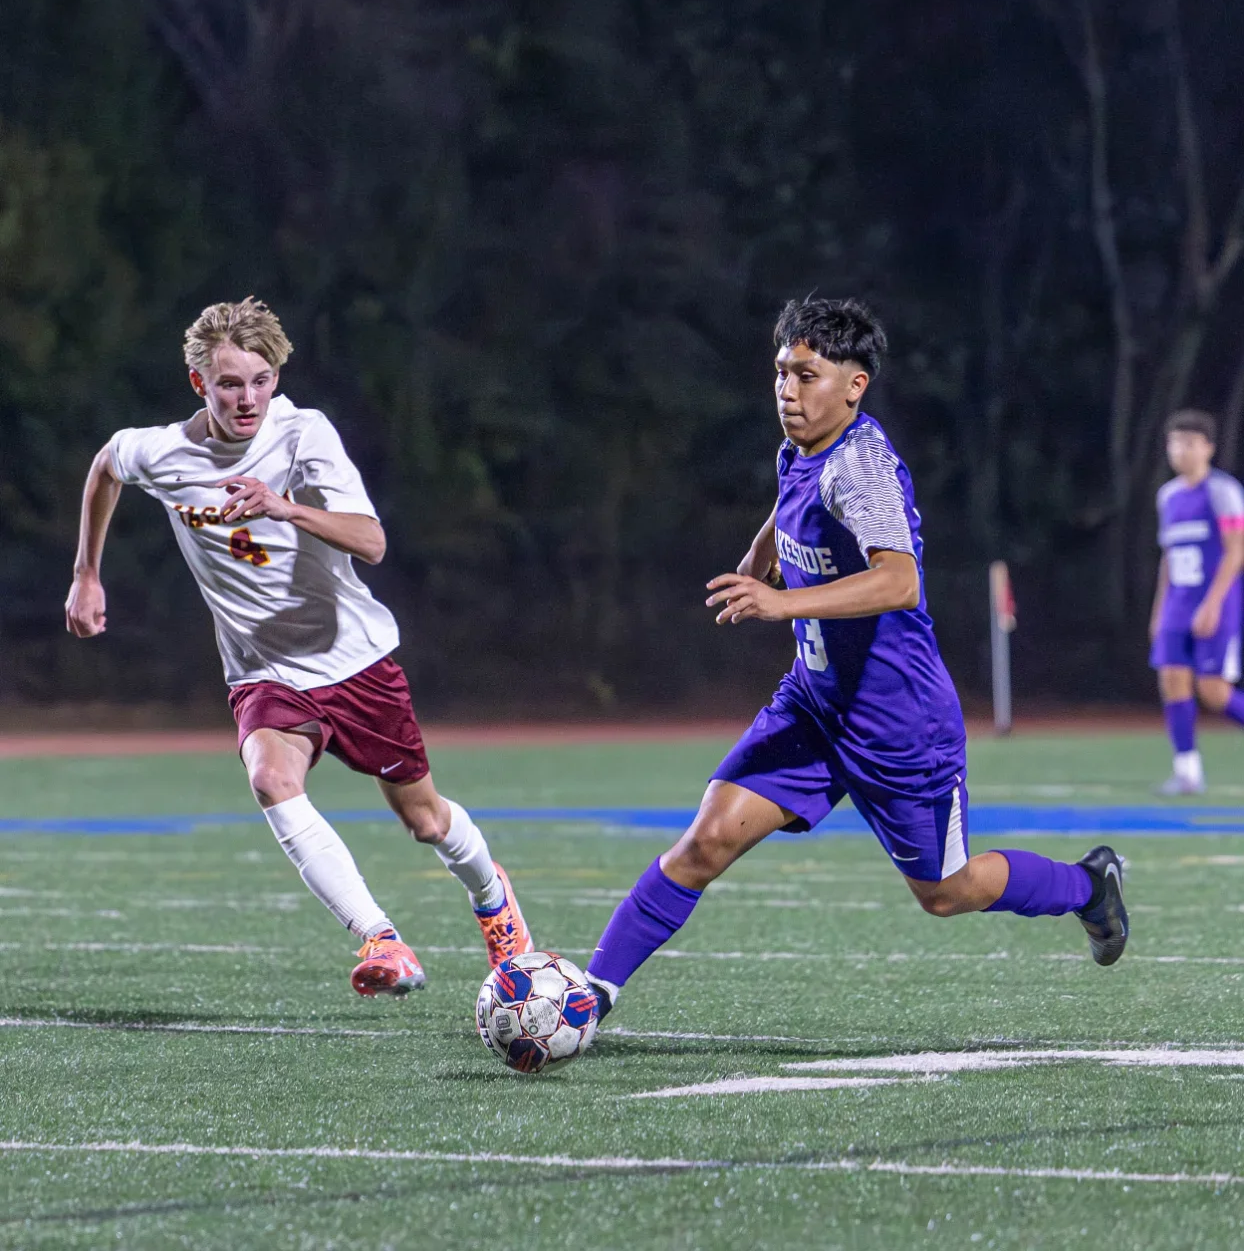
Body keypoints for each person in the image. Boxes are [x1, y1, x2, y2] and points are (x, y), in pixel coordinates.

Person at [583, 297, 1128, 1021]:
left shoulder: (860, 467)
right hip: (812, 705)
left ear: (854, 385)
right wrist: (763, 551)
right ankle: (588, 997)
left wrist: (782, 603)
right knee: (705, 841)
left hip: (898, 723)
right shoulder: (801, 446)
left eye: (806, 375)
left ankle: (1088, 886)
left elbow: (900, 582)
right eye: (781, 372)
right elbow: (791, 493)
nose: (787, 390)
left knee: (946, 892)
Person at [64, 297, 532, 996]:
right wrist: (86, 573)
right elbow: (107, 465)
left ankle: (494, 903)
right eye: (229, 383)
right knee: (271, 780)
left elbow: (372, 542)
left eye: (261, 380)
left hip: (354, 662)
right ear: (199, 383)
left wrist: (285, 507)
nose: (247, 398)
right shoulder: (161, 452)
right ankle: (382, 940)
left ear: (276, 378)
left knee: (425, 820)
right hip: (263, 672)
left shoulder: (303, 434)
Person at [1149, 409, 1244, 795]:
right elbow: (1168, 557)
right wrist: (1160, 609)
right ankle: (1187, 771)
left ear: (1208, 448)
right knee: (1171, 679)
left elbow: (1236, 550)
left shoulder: (1222, 491)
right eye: (1175, 443)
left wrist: (1213, 603)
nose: (1181, 450)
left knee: (1213, 691)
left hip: (1216, 600)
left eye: (1189, 443)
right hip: (1178, 602)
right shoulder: (1168, 496)